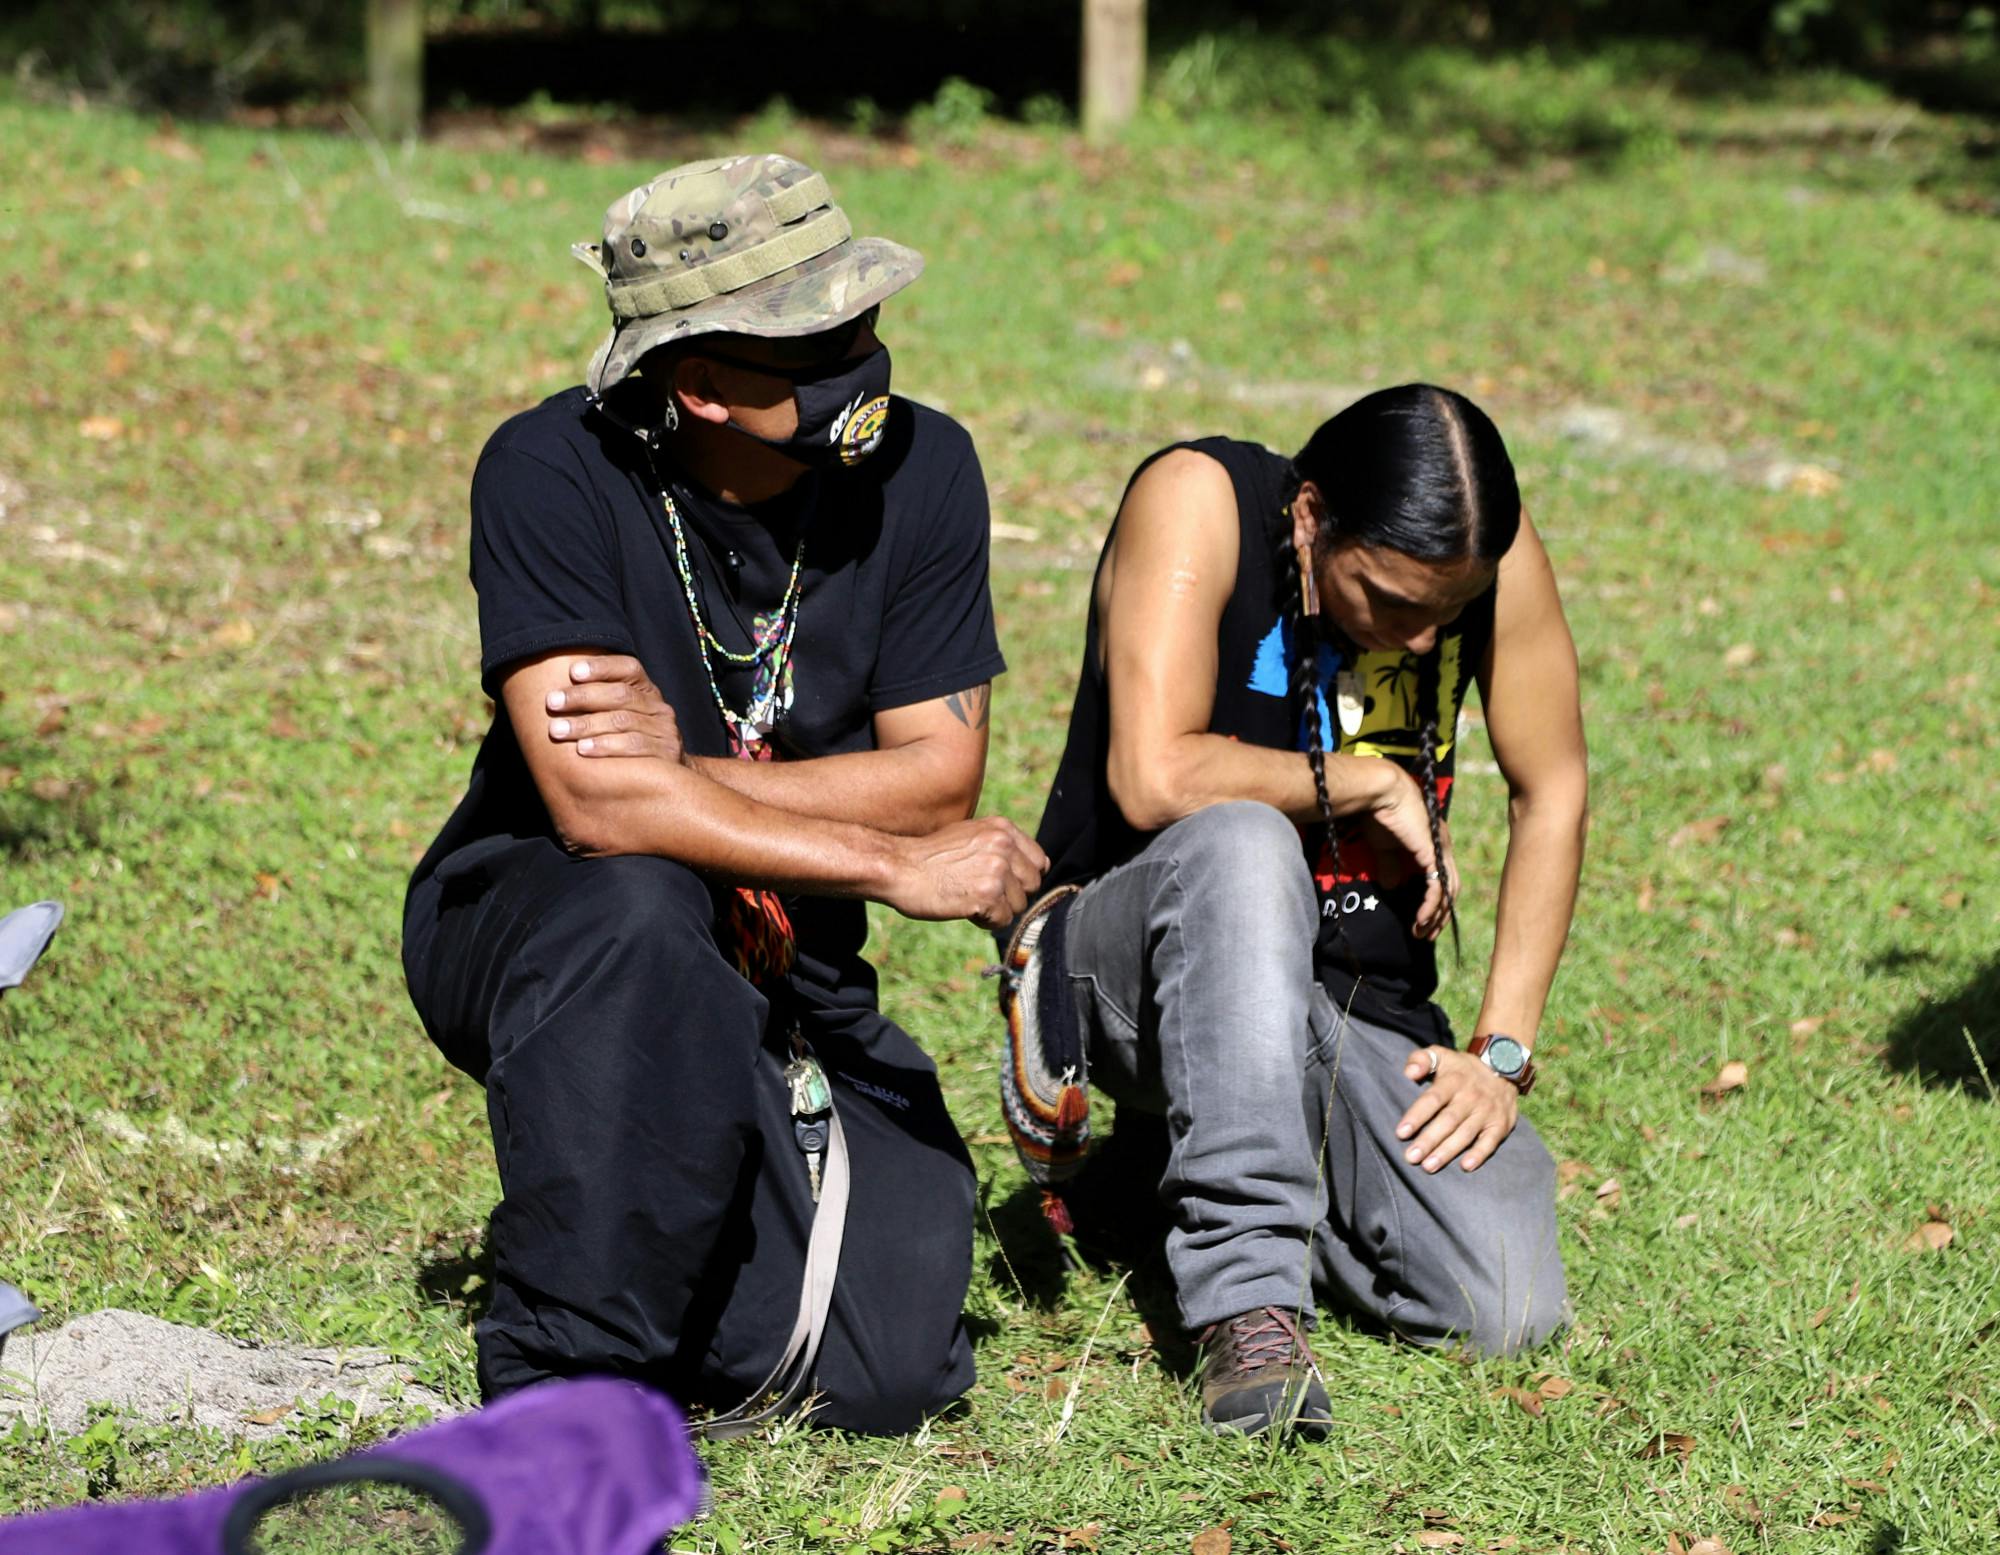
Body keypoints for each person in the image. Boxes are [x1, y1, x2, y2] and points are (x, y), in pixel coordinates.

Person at [402, 155, 1046, 1434]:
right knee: (643, 903)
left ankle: (617, 1192)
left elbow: (936, 776)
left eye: (862, 321)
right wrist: (883, 865)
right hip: (552, 920)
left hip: (783, 955)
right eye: (815, 346)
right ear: (697, 384)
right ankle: (565, 1391)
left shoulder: (926, 469)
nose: (861, 363)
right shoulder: (550, 471)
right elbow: (595, 814)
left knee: (887, 1369)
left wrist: (679, 773)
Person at [1010, 384, 1586, 1436]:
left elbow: (1551, 786)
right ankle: (1247, 1307)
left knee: (1501, 1298)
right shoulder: (1202, 500)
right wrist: (1366, 780)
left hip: (1345, 1002)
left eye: (1444, 616)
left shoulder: (1476, 555)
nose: (1419, 642)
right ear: (1313, 516)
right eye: (1389, 602)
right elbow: (1151, 775)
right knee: (1242, 840)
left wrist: (1500, 1048)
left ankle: (1162, 1178)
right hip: (1130, 968)